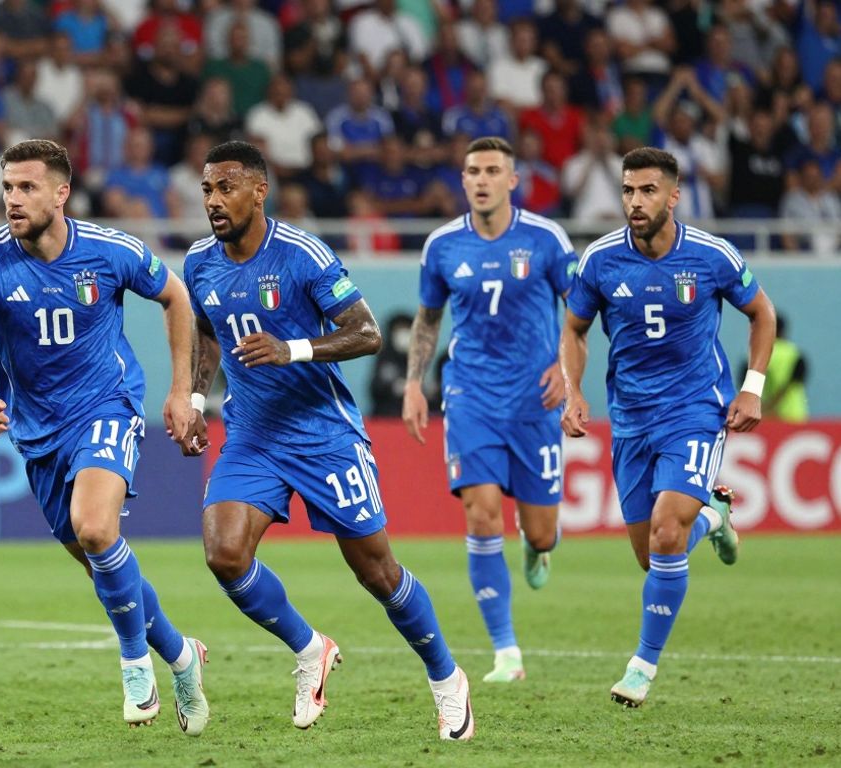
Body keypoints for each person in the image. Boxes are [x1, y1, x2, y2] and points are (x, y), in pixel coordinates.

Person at [183, 140, 474, 741]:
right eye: (207, 188)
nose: (213, 200)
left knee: (377, 573)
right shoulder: (199, 262)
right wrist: (192, 399)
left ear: (259, 192)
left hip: (323, 434)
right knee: (224, 553)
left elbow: (365, 332)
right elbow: (208, 334)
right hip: (253, 434)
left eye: (226, 187)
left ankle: (448, 681)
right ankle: (309, 647)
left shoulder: (301, 255)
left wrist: (291, 349)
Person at [0, 139, 210, 734]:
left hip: (106, 407)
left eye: (27, 187)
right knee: (101, 563)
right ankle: (184, 656)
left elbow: (176, 295)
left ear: (61, 194)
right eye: (7, 187)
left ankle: (135, 663)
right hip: (37, 432)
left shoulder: (110, 251)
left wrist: (181, 390)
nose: (12, 199)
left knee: (95, 525)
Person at [561, 146, 776, 707]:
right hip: (630, 418)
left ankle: (641, 667)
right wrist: (573, 389)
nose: (635, 201)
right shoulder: (600, 260)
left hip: (694, 411)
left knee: (664, 533)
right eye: (629, 190)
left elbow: (762, 313)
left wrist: (751, 386)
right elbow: (575, 329)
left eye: (648, 190)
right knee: (653, 555)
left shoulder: (711, 255)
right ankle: (715, 517)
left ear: (674, 195)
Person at [403, 136, 575, 685]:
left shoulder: (547, 240)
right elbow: (428, 320)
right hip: (470, 394)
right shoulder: (442, 246)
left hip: (535, 398)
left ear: (512, 179)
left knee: (542, 532)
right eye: (472, 171)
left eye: (491, 170)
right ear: (464, 180)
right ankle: (506, 652)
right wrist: (414, 383)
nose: (480, 179)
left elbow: (579, 315)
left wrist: (567, 372)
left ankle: (537, 546)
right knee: (480, 512)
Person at [756, 314, 808, 422]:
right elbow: (795, 381)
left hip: (766, 416)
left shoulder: (758, 354)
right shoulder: (795, 353)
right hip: (794, 414)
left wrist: (766, 407)